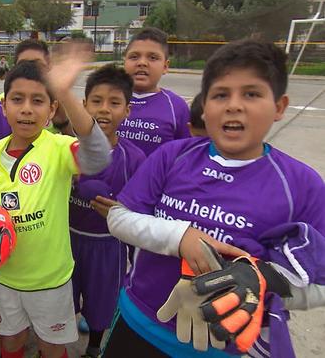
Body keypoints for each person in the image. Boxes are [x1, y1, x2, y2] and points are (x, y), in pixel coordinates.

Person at [92, 40, 325, 357]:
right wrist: (179, 237)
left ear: (280, 107)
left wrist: (261, 283)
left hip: (223, 345)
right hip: (140, 322)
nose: (234, 105)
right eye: (220, 95)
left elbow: (320, 282)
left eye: (252, 94)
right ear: (204, 107)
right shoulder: (172, 156)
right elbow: (119, 219)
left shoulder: (302, 185)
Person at [0, 42, 111, 358]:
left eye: (38, 101)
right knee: (11, 343)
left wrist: (66, 92)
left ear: (51, 110)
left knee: (51, 347)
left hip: (51, 280)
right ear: (3, 105)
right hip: (5, 277)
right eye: (17, 99)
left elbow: (99, 157)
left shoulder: (60, 149)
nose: (26, 109)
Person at [68, 64, 146, 358]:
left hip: (107, 246)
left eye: (114, 103)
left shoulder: (135, 159)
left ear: (127, 111)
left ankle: (93, 347)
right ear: (84, 105)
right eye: (96, 101)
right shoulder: (65, 150)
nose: (104, 109)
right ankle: (56, 345)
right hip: (67, 239)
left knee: (102, 304)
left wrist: (119, 211)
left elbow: (140, 208)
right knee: (64, 300)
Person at [117, 27, 191, 155]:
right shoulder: (106, 99)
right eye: (134, 57)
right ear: (124, 62)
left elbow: (185, 157)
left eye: (152, 57)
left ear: (165, 66)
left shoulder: (177, 107)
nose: (142, 63)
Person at [0, 39, 73, 136]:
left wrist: (63, 123)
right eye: (24, 65)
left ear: (49, 67)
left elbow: (79, 146)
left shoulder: (66, 103)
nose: (31, 70)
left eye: (38, 65)